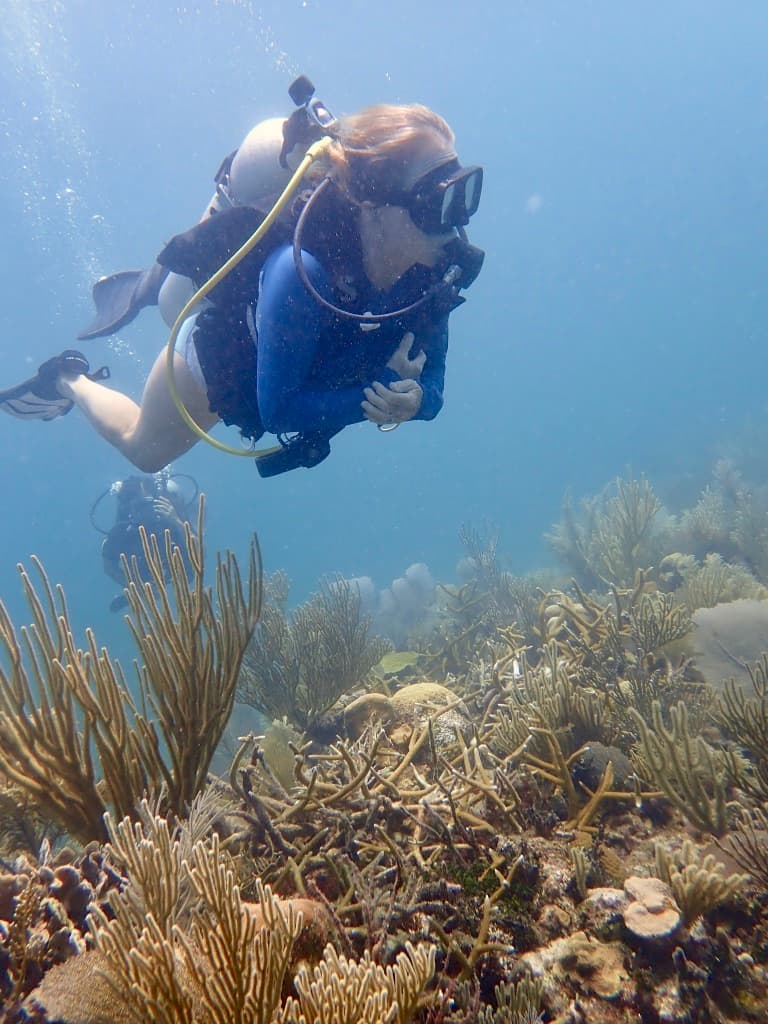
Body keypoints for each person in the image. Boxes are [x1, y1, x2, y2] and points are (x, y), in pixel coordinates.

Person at [0, 77, 484, 477]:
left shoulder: (436, 269)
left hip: (322, 356)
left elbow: (435, 383)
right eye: (436, 201)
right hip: (234, 351)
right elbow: (278, 408)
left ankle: (158, 280)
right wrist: (377, 396)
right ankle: (67, 377)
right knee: (145, 452)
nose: (456, 221)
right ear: (377, 208)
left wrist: (419, 399)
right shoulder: (299, 273)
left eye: (463, 193)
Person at [91, 472, 198, 611]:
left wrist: (176, 520)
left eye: (147, 505)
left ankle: (197, 512)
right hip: (144, 577)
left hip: (183, 574)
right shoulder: (122, 530)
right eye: (139, 507)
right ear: (131, 510)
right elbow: (109, 566)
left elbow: (200, 550)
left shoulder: (167, 518)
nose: (144, 513)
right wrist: (135, 587)